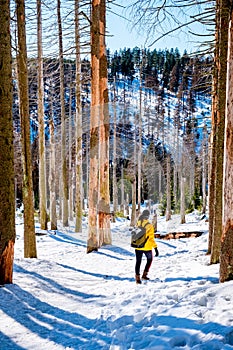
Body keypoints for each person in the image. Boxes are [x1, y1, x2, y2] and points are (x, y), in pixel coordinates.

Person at [134, 209, 159, 284]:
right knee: (149, 259)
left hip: (138, 246)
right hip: (147, 247)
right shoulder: (149, 225)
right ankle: (144, 275)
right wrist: (155, 248)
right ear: (148, 216)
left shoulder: (138, 223)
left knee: (138, 262)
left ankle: (137, 279)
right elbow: (151, 238)